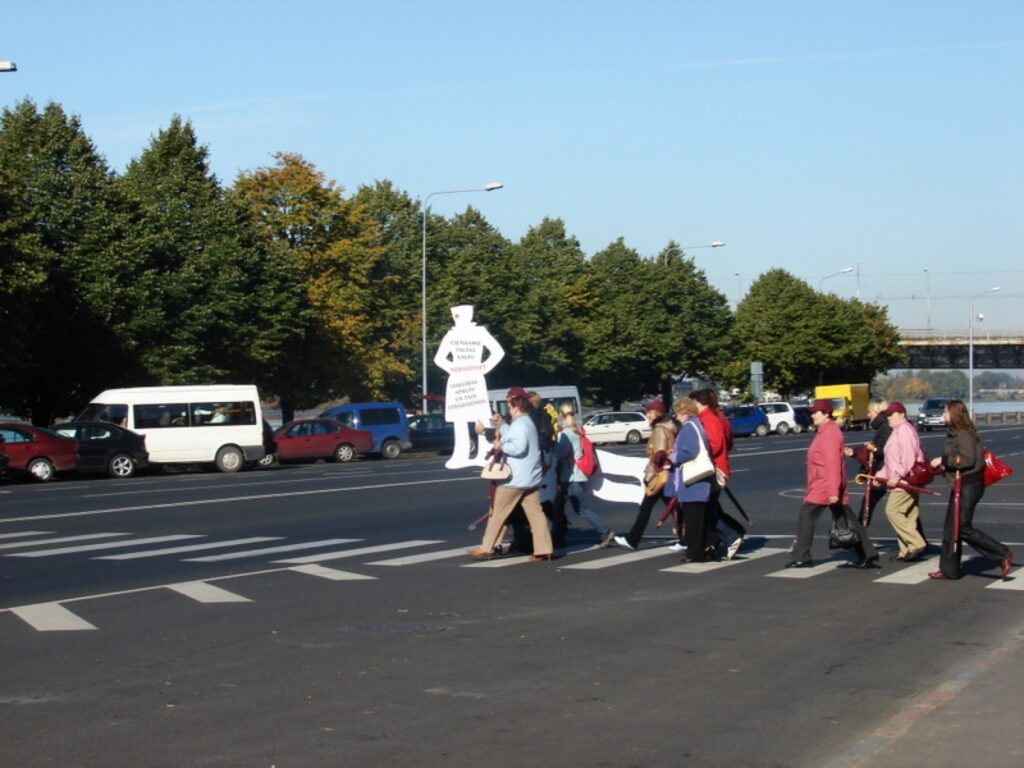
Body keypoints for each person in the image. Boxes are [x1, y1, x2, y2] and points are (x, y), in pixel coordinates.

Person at [928, 399, 1013, 580]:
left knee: (962, 527)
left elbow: (967, 460)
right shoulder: (956, 432)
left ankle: (1002, 553)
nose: (943, 415)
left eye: (945, 412)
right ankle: (949, 570)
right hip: (961, 484)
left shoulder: (963, 434)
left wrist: (943, 461)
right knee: (951, 528)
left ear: (954, 414)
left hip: (969, 485)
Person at [787, 399, 878, 568]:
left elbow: (833, 464)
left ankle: (802, 556)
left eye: (816, 412)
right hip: (825, 484)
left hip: (825, 485)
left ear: (826, 414)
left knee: (807, 516)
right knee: (845, 518)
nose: (812, 415)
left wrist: (833, 491)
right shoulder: (824, 431)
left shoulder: (829, 434)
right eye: (812, 412)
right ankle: (867, 554)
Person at [467, 387, 554, 561]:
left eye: (509, 401)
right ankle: (544, 549)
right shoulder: (525, 422)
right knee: (536, 514)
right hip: (530, 477)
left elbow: (518, 447)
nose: (507, 404)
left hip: (516, 478)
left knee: (497, 513)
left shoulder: (521, 424)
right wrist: (502, 424)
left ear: (517, 403)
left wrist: (501, 446)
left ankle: (487, 548)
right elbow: (514, 437)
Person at [433, 304, 504, 469]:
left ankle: (484, 453)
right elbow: (439, 358)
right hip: (458, 381)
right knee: (459, 418)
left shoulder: (479, 332)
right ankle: (460, 454)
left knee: (480, 415)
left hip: (475, 379)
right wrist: (453, 368)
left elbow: (498, 352)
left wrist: (483, 367)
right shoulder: (451, 335)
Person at [614, 400, 678, 550]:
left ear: (657, 413)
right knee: (674, 507)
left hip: (659, 475)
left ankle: (633, 539)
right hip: (666, 474)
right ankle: (687, 537)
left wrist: (649, 477)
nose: (647, 415)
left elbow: (659, 456)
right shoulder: (669, 427)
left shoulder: (659, 429)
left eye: (649, 412)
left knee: (648, 507)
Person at [692, 388, 744, 559]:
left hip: (712, 469)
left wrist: (697, 453)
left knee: (707, 510)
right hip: (718, 467)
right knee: (711, 507)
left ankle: (731, 536)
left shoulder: (708, 419)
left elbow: (715, 444)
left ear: (700, 402)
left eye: (693, 402)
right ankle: (719, 539)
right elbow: (729, 442)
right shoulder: (717, 417)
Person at [874, 401, 928, 562]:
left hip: (905, 481)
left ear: (902, 415)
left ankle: (917, 543)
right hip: (899, 479)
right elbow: (892, 459)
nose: (889, 418)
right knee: (909, 514)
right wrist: (881, 475)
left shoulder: (905, 430)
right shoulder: (896, 431)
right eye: (887, 415)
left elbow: (908, 457)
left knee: (893, 511)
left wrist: (898, 475)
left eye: (891, 414)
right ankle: (906, 549)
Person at [555, 413, 614, 547]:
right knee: (560, 508)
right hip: (575, 475)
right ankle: (558, 536)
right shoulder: (577, 433)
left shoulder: (567, 434)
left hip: (570, 477)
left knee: (580, 509)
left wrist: (552, 445)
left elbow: (560, 453)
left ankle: (605, 531)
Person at [670, 397, 714, 563]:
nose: (676, 417)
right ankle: (703, 549)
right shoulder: (698, 425)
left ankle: (695, 554)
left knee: (693, 520)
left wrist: (673, 457)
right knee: (699, 518)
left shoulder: (688, 427)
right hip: (700, 482)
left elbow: (690, 452)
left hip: (693, 481)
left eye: (677, 413)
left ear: (684, 412)